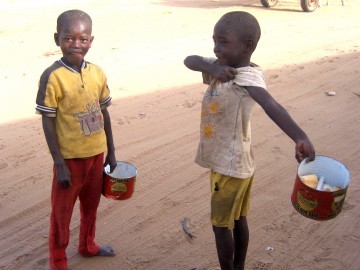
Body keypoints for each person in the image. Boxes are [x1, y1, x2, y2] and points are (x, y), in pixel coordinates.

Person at [184, 11, 315, 270]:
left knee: (221, 226)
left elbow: (271, 105)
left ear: (248, 46)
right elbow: (190, 60)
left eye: (223, 42)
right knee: (238, 219)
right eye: (215, 41)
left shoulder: (247, 77)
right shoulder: (222, 67)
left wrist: (299, 136)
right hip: (234, 163)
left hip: (229, 166)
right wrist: (212, 67)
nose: (216, 47)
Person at [35, 9, 117, 270]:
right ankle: (58, 261)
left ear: (91, 40)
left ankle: (87, 245)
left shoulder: (97, 73)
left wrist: (111, 152)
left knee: (91, 207)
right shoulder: (53, 76)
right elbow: (48, 120)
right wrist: (59, 163)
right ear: (57, 38)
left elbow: (104, 112)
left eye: (83, 39)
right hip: (69, 160)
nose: (76, 44)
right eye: (69, 38)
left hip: (96, 154)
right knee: (61, 215)